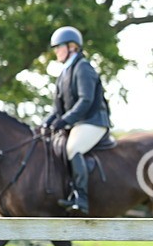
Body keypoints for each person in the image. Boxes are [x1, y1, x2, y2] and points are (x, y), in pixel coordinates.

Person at [41, 26, 111, 214]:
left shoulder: (83, 67)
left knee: (73, 148)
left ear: (72, 47)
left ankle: (81, 197)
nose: (56, 51)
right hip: (78, 123)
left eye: (59, 47)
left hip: (93, 121)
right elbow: (57, 108)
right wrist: (46, 123)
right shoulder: (64, 73)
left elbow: (85, 100)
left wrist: (64, 121)